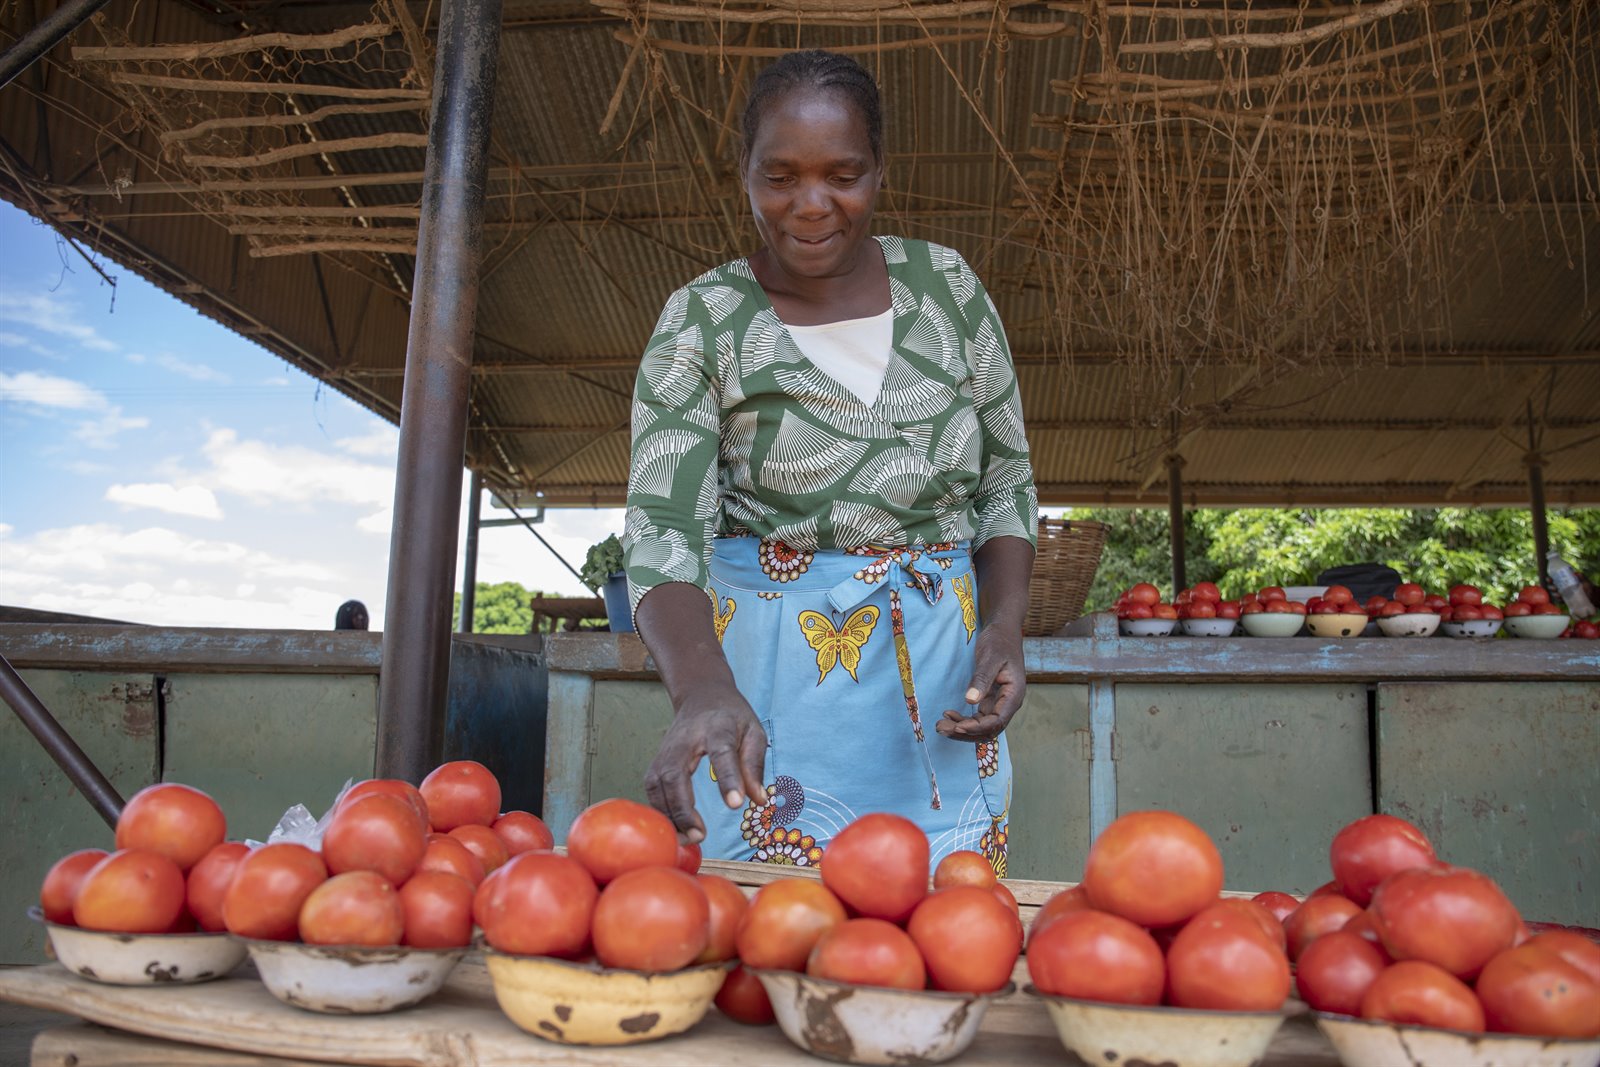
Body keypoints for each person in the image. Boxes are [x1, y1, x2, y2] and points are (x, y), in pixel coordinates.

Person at [622, 50, 1038, 874]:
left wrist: (1003, 627)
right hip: (763, 686)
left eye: (842, 174)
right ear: (744, 174)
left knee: (938, 925)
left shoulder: (948, 288)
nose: (811, 205)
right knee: (764, 918)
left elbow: (1005, 482)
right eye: (779, 176)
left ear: (879, 172)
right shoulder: (703, 319)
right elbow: (664, 525)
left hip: (939, 680)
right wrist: (702, 689)